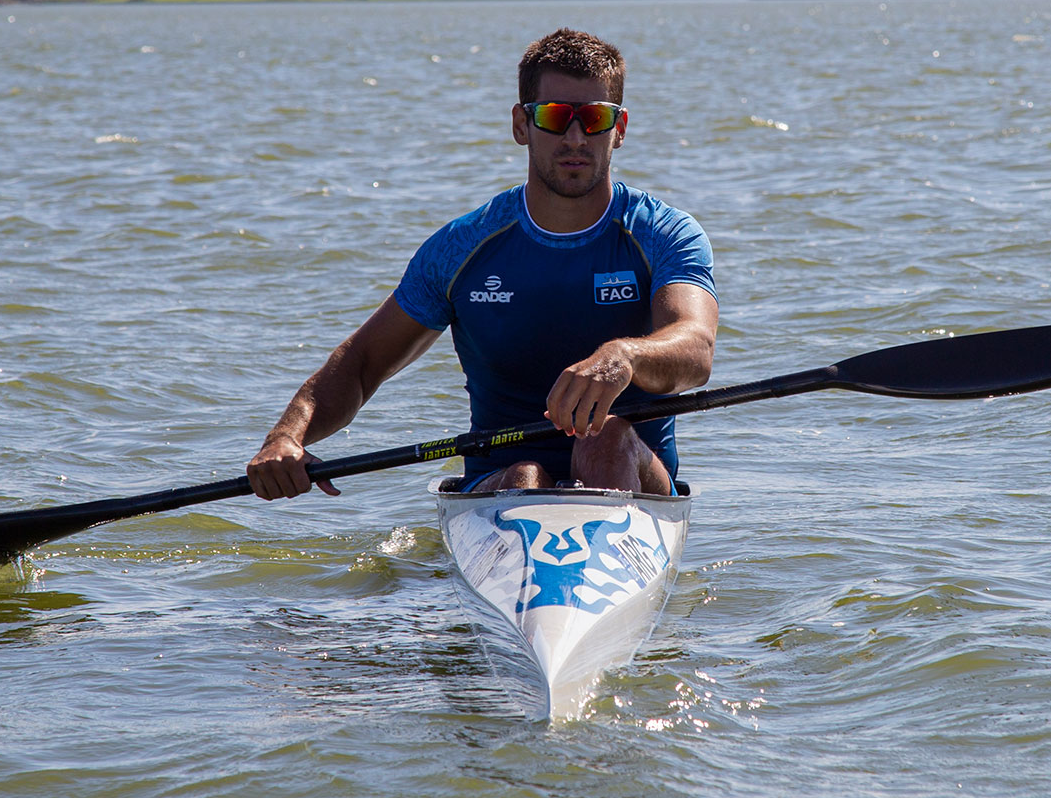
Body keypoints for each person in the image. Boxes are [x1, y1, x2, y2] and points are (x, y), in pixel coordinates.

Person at [246, 28, 716, 500]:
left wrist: (626, 357)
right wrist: (287, 436)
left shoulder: (664, 234)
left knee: (607, 438)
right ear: (521, 125)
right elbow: (363, 363)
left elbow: (696, 349)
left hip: (634, 479)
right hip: (502, 486)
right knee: (524, 476)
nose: (576, 137)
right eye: (555, 117)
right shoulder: (461, 248)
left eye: (594, 118)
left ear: (619, 129)